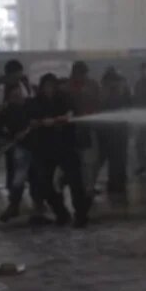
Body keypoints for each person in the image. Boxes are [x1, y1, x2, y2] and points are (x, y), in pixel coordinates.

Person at [28, 73, 90, 228]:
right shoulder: (36, 102)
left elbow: (72, 114)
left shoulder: (65, 99)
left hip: (66, 146)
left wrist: (58, 120)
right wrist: (39, 122)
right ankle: (61, 213)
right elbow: (30, 119)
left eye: (51, 86)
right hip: (45, 149)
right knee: (45, 185)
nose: (49, 90)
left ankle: (81, 216)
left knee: (76, 183)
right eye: (46, 86)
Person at [0, 82, 33, 222]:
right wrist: (8, 138)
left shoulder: (30, 107)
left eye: (19, 95)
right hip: (20, 149)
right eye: (14, 96)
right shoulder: (6, 112)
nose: (17, 98)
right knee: (18, 177)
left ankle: (38, 208)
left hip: (35, 148)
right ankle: (14, 205)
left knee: (37, 179)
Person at [64, 61, 102, 194]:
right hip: (73, 129)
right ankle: (81, 186)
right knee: (78, 161)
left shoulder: (92, 85)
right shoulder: (67, 88)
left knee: (91, 160)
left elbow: (99, 102)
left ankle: (88, 186)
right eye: (81, 74)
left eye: (85, 74)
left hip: (89, 127)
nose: (83, 77)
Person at [94, 67, 132, 197]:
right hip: (110, 132)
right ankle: (117, 184)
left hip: (115, 132)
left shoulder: (113, 93)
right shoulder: (109, 93)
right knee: (115, 159)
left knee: (117, 159)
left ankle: (117, 184)